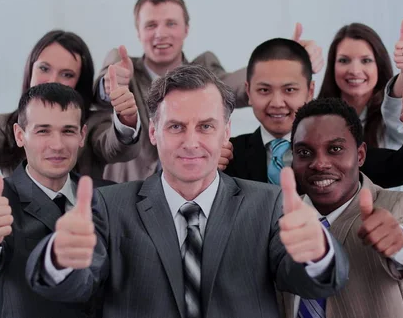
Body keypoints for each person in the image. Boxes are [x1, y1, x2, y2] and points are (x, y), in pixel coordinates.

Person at [25, 64, 349, 318]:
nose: (191, 142)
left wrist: (318, 253)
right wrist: (60, 258)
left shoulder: (268, 204)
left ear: (226, 133)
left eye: (206, 126)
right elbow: (71, 288)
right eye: (176, 126)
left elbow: (311, 282)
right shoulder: (109, 207)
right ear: (153, 132)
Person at [93, 0, 324, 183]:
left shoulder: (205, 69)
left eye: (170, 23)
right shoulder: (122, 65)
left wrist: (288, 62)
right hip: (131, 189)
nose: (160, 34)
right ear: (138, 32)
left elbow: (238, 85)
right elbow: (102, 90)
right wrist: (112, 87)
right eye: (151, 25)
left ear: (186, 29)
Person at [0, 83, 113, 318]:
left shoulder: (111, 195)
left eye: (68, 131)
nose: (57, 145)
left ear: (82, 136)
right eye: (43, 131)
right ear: (20, 135)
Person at [285, 97, 403, 318]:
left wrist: (402, 242)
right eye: (304, 152)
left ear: (360, 155)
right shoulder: (280, 216)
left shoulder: (397, 205)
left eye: (336, 149)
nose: (319, 164)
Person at [224, 38, 403, 189]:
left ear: (310, 91)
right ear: (248, 92)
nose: (277, 102)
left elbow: (400, 168)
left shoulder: (338, 149)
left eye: (290, 90)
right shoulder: (227, 155)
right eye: (264, 90)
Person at [0, 29, 141, 178]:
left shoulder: (94, 125)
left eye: (67, 74)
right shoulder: (6, 125)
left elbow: (116, 145)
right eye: (44, 68)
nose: (53, 79)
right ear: (30, 70)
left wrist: (126, 118)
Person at [318, 20, 403, 150]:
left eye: (366, 60)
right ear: (332, 66)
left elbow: (395, 105)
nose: (355, 71)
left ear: (379, 65)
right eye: (344, 60)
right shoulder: (317, 116)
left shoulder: (388, 120)